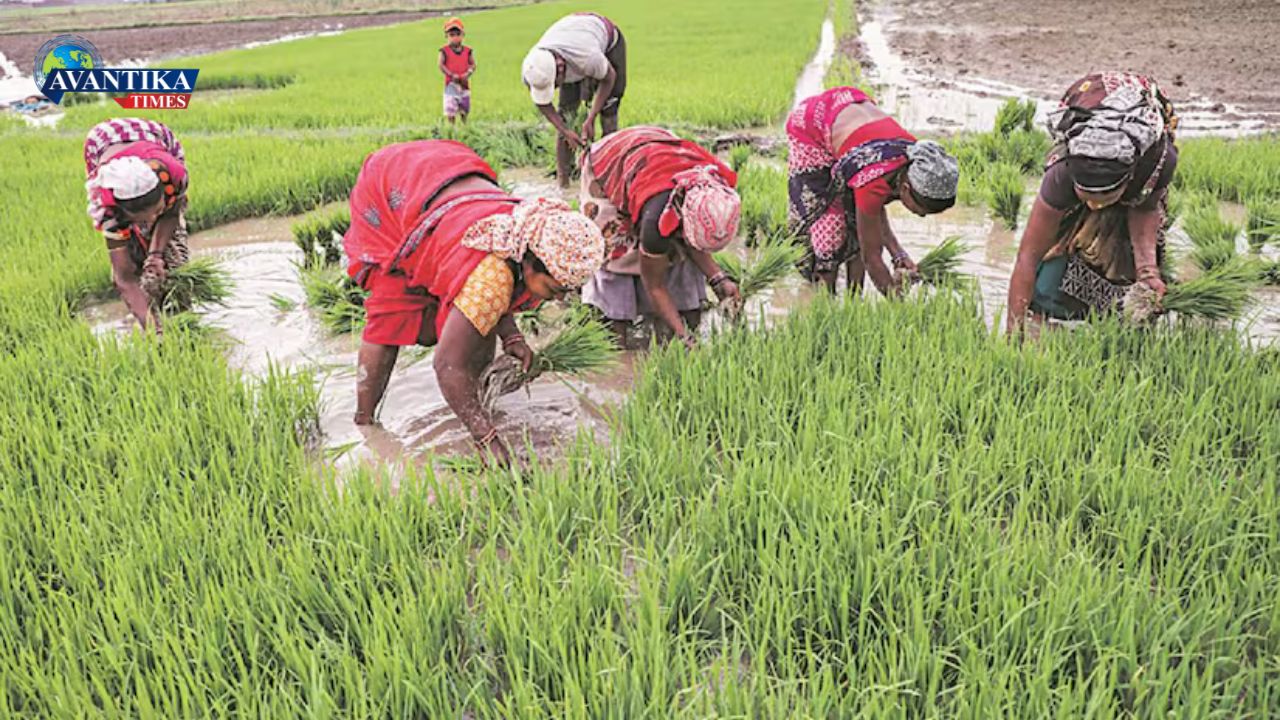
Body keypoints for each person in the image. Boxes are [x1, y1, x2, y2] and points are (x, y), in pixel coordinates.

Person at [344, 140, 605, 465]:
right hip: (395, 190)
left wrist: (512, 337)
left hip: (443, 177)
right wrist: (487, 439)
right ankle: (364, 423)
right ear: (529, 263)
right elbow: (447, 365)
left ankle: (476, 405)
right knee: (393, 309)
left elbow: (497, 294)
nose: (560, 297)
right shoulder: (494, 275)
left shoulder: (529, 229)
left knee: (477, 324)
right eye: (554, 288)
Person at [1006, 72, 1178, 334]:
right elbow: (1027, 257)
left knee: (1124, 256)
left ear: (1127, 183)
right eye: (1086, 198)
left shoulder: (1155, 163)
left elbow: (1144, 208)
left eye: (1103, 199)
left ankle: (1118, 326)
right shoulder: (1061, 173)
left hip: (1137, 148)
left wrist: (1147, 271)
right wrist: (1013, 331)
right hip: (1089, 106)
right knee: (1057, 250)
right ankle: (1047, 308)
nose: (1095, 207)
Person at [579, 126, 742, 348]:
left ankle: (664, 317)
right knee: (617, 248)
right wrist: (684, 336)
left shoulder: (715, 192)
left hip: (660, 156)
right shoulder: (657, 220)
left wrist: (718, 279)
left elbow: (693, 238)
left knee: (676, 250)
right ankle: (614, 321)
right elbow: (653, 285)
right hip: (612, 159)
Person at [786, 87, 959, 294]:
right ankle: (825, 297)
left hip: (850, 114)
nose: (921, 215)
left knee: (857, 229)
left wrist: (898, 254)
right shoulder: (875, 177)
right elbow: (872, 258)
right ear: (905, 188)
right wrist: (898, 308)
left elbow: (872, 211)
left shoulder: (916, 159)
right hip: (811, 127)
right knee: (829, 230)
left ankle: (853, 300)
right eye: (921, 208)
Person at [83, 118, 190, 331]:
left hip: (153, 136)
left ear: (164, 191)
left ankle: (180, 312)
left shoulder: (174, 174)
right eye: (142, 219)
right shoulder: (108, 212)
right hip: (100, 142)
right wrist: (154, 331)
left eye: (158, 210)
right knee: (131, 254)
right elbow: (123, 278)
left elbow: (171, 212)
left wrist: (157, 255)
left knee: (174, 255)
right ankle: (150, 311)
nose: (151, 221)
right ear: (124, 213)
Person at [521, 12, 626, 187]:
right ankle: (563, 182)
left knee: (608, 112)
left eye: (554, 85)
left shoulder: (586, 58)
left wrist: (591, 118)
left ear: (560, 69)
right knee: (566, 115)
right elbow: (543, 103)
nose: (553, 90)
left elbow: (609, 78)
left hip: (606, 40)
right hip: (570, 36)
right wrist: (564, 130)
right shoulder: (533, 67)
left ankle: (609, 179)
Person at [438, 17, 475, 124]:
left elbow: (473, 64)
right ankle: (452, 128)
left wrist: (468, 73)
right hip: (451, 84)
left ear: (463, 35)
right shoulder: (444, 51)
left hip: (464, 83)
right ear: (446, 36)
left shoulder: (468, 51)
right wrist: (450, 74)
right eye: (451, 35)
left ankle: (465, 125)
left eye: (458, 34)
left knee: (464, 106)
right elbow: (441, 64)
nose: (455, 38)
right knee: (451, 108)